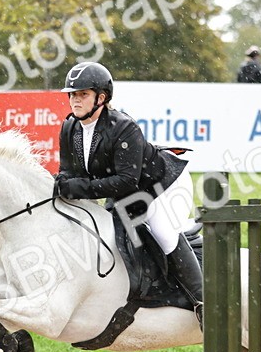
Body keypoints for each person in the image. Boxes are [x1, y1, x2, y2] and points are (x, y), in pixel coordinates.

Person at [53, 61, 203, 325]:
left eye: (83, 94)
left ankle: (203, 302)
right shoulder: (70, 127)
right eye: (72, 94)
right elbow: (68, 170)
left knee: (163, 233)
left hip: (163, 185)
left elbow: (126, 181)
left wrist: (79, 188)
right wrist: (61, 184)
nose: (75, 100)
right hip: (126, 192)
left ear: (101, 98)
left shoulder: (123, 127)